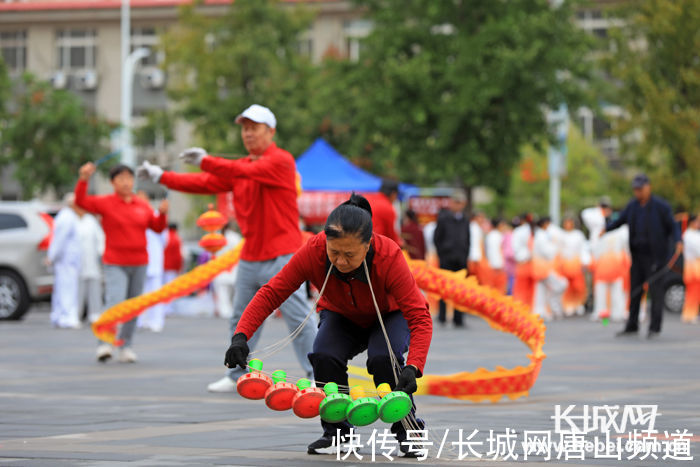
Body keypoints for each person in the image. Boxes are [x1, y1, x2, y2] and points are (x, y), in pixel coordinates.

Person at [225, 194, 433, 456]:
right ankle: (338, 433)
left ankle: (409, 430)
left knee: (383, 359)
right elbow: (271, 293)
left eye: (350, 254)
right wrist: (240, 336)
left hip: (389, 316)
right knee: (323, 354)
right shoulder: (312, 250)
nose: (341, 261)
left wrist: (414, 366)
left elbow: (420, 316)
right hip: (341, 315)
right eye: (334, 252)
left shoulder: (389, 254)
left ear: (367, 245)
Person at [137, 104, 316, 391]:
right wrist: (161, 176)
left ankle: (317, 373)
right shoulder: (243, 168)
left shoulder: (281, 161)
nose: (247, 133)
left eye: (254, 128)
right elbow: (203, 182)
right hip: (251, 255)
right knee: (241, 317)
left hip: (283, 253)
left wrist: (207, 160)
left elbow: (225, 169)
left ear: (271, 131)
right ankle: (238, 375)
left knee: (298, 317)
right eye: (244, 128)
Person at [75, 163, 168, 363]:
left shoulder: (142, 204)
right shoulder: (106, 202)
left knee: (133, 307)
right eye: (121, 178)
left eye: (129, 178)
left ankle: (125, 346)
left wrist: (163, 213)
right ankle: (104, 344)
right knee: (115, 302)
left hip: (139, 262)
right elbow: (81, 202)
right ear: (112, 182)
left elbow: (157, 228)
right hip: (115, 261)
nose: (126, 182)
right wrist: (83, 179)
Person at [605, 174, 681, 338]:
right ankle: (632, 325)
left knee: (655, 291)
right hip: (638, 255)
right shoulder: (632, 206)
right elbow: (620, 221)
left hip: (656, 257)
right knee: (635, 290)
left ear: (648, 187)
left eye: (640, 189)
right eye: (635, 189)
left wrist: (678, 241)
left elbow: (673, 226)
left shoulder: (661, 206)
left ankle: (654, 327)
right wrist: (606, 227)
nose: (638, 192)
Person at [433, 190, 470, 327]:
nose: (457, 205)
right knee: (443, 289)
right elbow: (437, 238)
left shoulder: (465, 219)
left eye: (460, 203)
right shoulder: (443, 218)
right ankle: (442, 317)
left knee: (460, 290)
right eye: (455, 202)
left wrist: (465, 254)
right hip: (446, 258)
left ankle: (458, 319)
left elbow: (468, 239)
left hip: (460, 258)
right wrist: (442, 253)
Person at [48, 193, 82, 329]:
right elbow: (59, 240)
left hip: (68, 260)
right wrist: (52, 256)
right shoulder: (67, 217)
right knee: (67, 288)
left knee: (64, 288)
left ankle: (60, 315)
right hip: (65, 260)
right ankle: (67, 317)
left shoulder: (69, 216)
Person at [532, 217, 568, 321]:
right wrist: (555, 246)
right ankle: (553, 308)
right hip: (543, 267)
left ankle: (542, 310)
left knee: (542, 290)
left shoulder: (541, 235)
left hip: (541, 266)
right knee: (560, 285)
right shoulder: (541, 236)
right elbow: (548, 252)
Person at [137, 214, 168, 333]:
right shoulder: (139, 216)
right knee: (141, 293)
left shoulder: (157, 217)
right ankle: (141, 320)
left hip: (155, 262)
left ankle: (156, 321)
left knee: (155, 294)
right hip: (141, 261)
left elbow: (165, 240)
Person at [76, 209, 105, 323]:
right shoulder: (73, 220)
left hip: (92, 260)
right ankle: (77, 313)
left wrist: (101, 254)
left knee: (94, 289)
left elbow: (100, 239)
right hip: (77, 262)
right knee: (78, 290)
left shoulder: (90, 221)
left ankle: (95, 313)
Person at [557, 216, 590, 316]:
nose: (568, 225)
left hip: (576, 263)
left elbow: (583, 248)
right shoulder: (561, 235)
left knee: (578, 286)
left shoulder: (578, 235)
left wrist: (585, 260)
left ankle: (579, 304)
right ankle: (568, 305)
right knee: (567, 286)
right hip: (565, 264)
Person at [213, 222, 243, 319]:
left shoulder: (216, 237)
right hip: (233, 268)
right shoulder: (235, 237)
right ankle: (234, 311)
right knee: (234, 293)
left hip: (220, 268)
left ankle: (225, 311)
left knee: (223, 293)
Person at [366, 179, 401, 245]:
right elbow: (391, 234)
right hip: (375, 246)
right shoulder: (388, 208)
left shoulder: (368, 198)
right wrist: (400, 243)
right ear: (393, 194)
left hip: (360, 244)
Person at [512, 213, 535, 307]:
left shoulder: (518, 231)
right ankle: (530, 305)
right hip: (533, 261)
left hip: (522, 261)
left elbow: (515, 247)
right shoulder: (533, 230)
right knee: (531, 286)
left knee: (521, 286)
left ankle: (520, 305)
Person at [682, 215, 700, 324]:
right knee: (692, 291)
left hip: (697, 265)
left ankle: (692, 313)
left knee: (696, 292)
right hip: (692, 266)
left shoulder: (696, 234)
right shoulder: (688, 235)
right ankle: (689, 314)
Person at [162, 223, 184, 316]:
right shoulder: (176, 239)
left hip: (162, 267)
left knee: (162, 288)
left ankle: (162, 308)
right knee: (171, 289)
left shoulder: (164, 237)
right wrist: (179, 268)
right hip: (171, 268)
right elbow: (178, 256)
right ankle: (168, 308)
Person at [485, 218, 508, 294]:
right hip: (499, 265)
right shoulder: (499, 236)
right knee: (500, 288)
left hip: (490, 264)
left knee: (491, 287)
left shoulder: (489, 235)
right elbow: (500, 250)